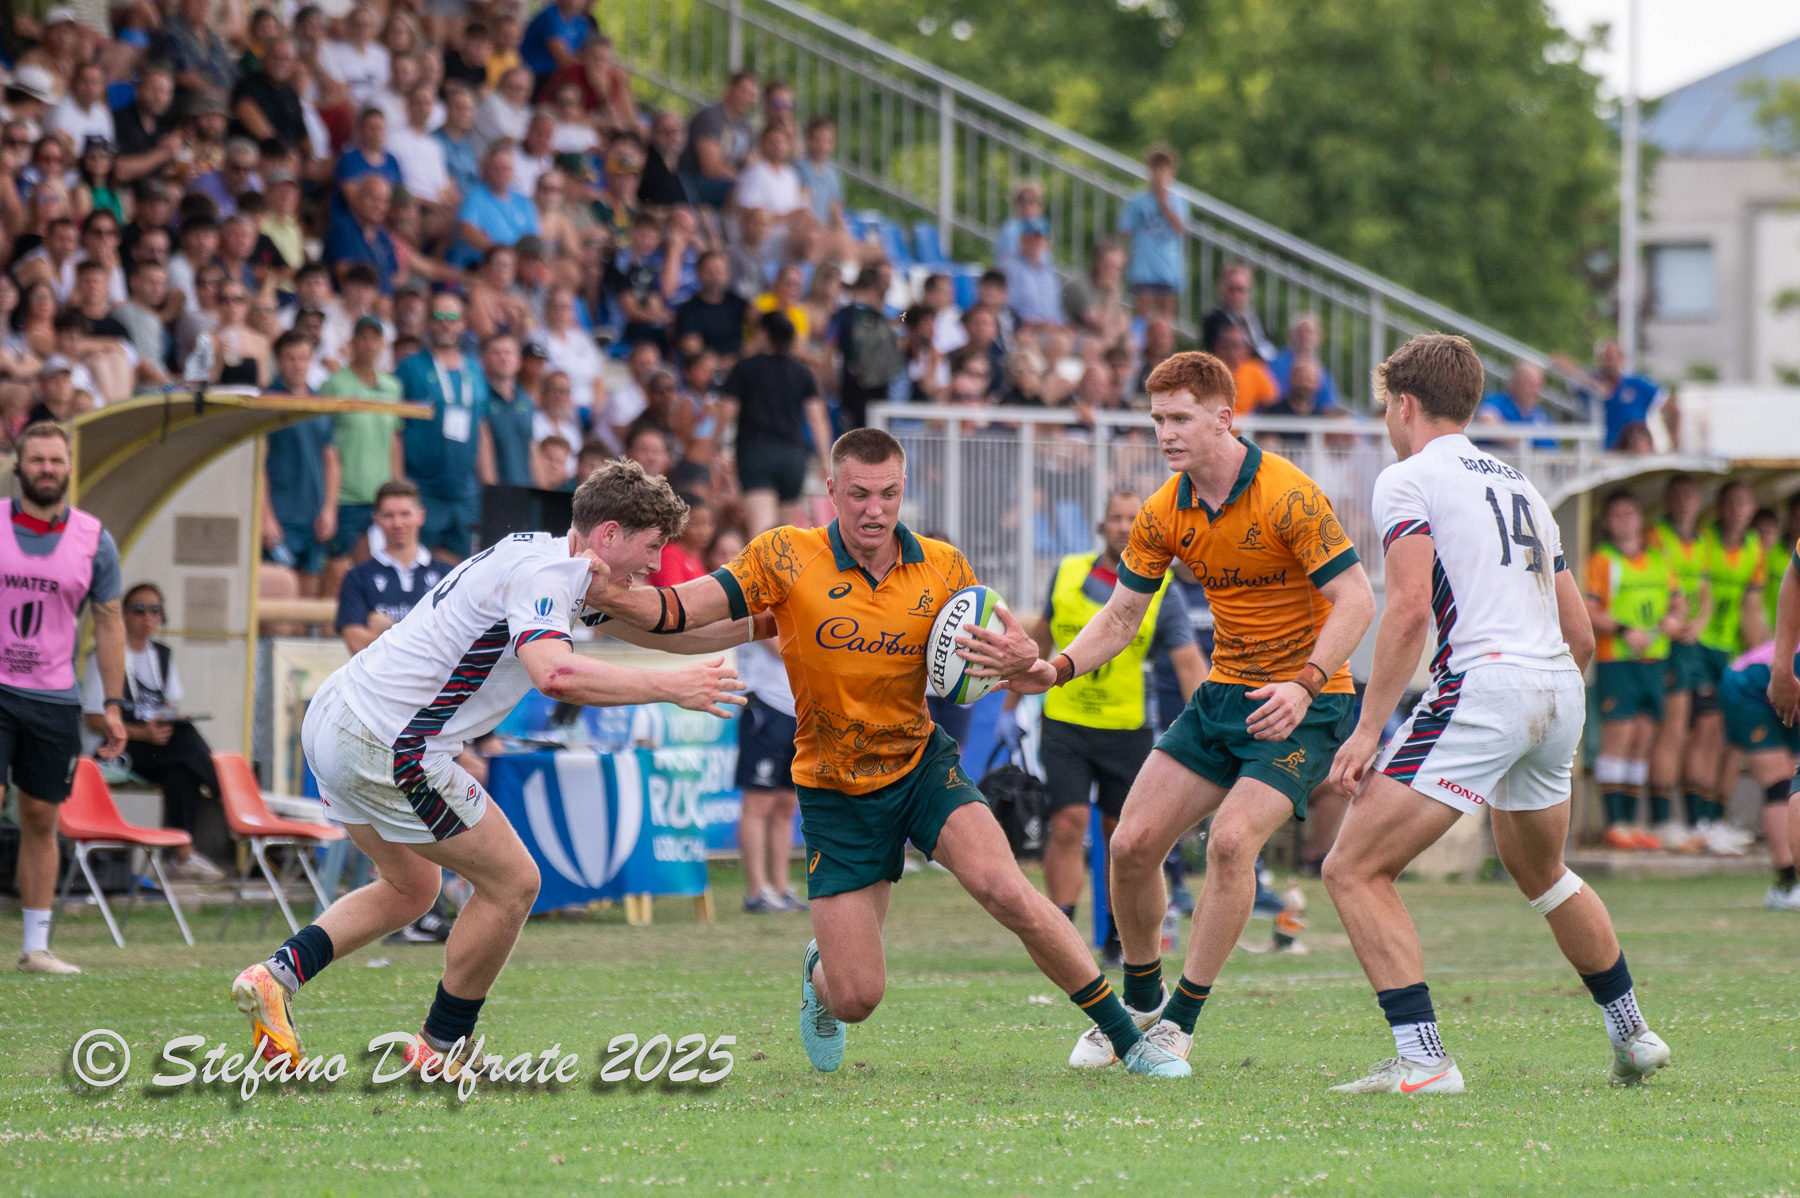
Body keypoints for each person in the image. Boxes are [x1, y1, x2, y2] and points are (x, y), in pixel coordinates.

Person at [590, 429, 1192, 1079]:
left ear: (902, 491)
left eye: (888, 494)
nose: (874, 509)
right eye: (858, 494)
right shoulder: (784, 557)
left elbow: (1007, 659)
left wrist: (1024, 661)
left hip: (919, 766)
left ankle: (1130, 1041)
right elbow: (681, 614)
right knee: (856, 998)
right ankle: (820, 972)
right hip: (834, 788)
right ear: (831, 492)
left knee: (1007, 889)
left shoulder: (943, 567)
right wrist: (601, 598)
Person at [231, 461, 752, 1077]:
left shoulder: (541, 553)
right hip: (391, 741)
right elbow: (555, 674)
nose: (656, 563)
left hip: (338, 716)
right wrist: (671, 689)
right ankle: (440, 1048)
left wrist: (765, 625)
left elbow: (659, 626)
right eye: (652, 546)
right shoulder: (547, 574)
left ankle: (274, 977)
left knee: (411, 888)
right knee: (514, 884)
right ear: (609, 534)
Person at [983, 350, 1375, 1070]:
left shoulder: (1290, 495)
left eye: (1180, 418)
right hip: (1224, 694)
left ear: (1224, 418)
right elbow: (1123, 613)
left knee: (1230, 843)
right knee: (1131, 845)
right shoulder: (1166, 508)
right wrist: (1057, 665)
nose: (1165, 433)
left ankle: (1180, 1023)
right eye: (1157, 418)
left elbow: (1358, 598)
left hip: (1306, 701)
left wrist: (1306, 683)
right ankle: (1138, 1004)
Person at [1320, 332, 1669, 1093]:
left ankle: (1424, 1061)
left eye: (1386, 408)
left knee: (1352, 867)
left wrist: (1370, 728)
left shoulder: (1408, 477)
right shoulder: (1520, 484)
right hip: (1556, 685)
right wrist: (1539, 711)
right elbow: (1579, 633)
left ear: (1404, 404)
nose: (1386, 421)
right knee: (1542, 872)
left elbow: (1409, 611)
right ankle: (1633, 1032)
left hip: (1487, 685)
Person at [1002, 490, 1207, 982]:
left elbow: (1187, 662)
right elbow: (1043, 638)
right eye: (1114, 517)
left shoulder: (1162, 590)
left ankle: (1121, 936)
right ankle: (1061, 929)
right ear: (1101, 526)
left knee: (1124, 837)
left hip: (1127, 730)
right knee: (1068, 822)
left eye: (1132, 519)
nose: (1122, 526)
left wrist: (1208, 723)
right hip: (1066, 722)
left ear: (1144, 530)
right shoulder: (1068, 571)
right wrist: (1011, 705)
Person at [3, 422, 127, 974]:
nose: (47, 469)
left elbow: (110, 623)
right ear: (18, 465)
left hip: (54, 697)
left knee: (39, 816)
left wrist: (115, 703)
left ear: (69, 468)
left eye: (56, 460)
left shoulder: (94, 539)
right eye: (37, 460)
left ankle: (36, 947)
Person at [78, 582, 228, 877]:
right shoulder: (105, 656)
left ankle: (181, 856)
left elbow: (169, 706)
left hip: (154, 746)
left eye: (155, 610)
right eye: (138, 609)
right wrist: (144, 733)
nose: (147, 617)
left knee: (181, 771)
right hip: (113, 748)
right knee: (185, 742)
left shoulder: (161, 655)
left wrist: (170, 720)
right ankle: (228, 797)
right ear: (123, 616)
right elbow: (93, 721)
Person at [1584, 493, 1686, 850]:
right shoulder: (1603, 560)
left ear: (1640, 519)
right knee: (1619, 737)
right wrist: (1626, 630)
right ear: (1608, 522)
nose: (1625, 520)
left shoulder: (1658, 558)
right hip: (1619, 659)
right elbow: (1589, 608)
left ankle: (1632, 819)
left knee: (1643, 738)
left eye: (1630, 512)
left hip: (1654, 660)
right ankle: (1615, 821)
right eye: (1617, 514)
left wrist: (1674, 619)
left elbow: (1678, 601)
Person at [1688, 481, 1766, 851]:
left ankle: (1718, 820)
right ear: (1720, 507)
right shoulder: (1705, 542)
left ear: (1751, 509)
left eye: (1744, 503)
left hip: (1731, 652)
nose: (1737, 510)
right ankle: (1698, 821)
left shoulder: (1754, 549)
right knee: (1706, 729)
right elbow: (1700, 593)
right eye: (1731, 503)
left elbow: (1751, 608)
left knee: (1732, 737)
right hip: (1701, 647)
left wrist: (1764, 657)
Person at [396, 291, 494, 561]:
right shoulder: (410, 366)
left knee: (463, 567)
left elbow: (481, 427)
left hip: (464, 491)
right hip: (422, 488)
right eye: (438, 317)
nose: (445, 323)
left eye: (452, 317)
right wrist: (399, 484)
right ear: (427, 322)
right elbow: (396, 430)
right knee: (418, 563)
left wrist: (490, 484)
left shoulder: (474, 369)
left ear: (463, 324)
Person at [1646, 475, 1715, 847]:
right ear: (1669, 499)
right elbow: (1662, 587)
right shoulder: (1657, 536)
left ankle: (1697, 821)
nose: (1687, 501)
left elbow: (1704, 591)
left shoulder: (1702, 541)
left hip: (1694, 643)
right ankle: (1661, 820)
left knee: (1700, 729)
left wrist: (1699, 623)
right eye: (1680, 495)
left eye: (1692, 493)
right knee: (1671, 729)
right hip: (1667, 642)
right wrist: (1673, 624)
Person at [719, 311, 833, 536]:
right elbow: (817, 418)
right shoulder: (801, 371)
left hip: (755, 454)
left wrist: (717, 448)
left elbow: (727, 411)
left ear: (762, 333)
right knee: (783, 538)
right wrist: (825, 459)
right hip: (793, 457)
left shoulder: (745, 368)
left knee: (761, 536)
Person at [317, 315, 405, 565]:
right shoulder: (334, 385)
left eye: (375, 338)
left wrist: (397, 490)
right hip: (346, 496)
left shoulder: (393, 387)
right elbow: (326, 445)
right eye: (363, 338)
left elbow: (394, 440)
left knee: (376, 569)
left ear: (383, 344)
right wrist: (328, 500)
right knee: (337, 567)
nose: (369, 344)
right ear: (352, 342)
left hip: (381, 496)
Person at [733, 635, 806, 914]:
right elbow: (781, 648)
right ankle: (756, 891)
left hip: (796, 708)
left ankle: (781, 888)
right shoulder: (763, 597)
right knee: (758, 804)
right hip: (765, 704)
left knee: (786, 805)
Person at [262, 331, 339, 595]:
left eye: (304, 358)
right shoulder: (266, 402)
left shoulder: (320, 402)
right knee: (283, 593)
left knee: (310, 591)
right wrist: (266, 516)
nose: (298, 365)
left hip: (314, 516)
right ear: (278, 361)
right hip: (281, 516)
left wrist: (329, 509)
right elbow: (257, 466)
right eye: (291, 358)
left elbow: (331, 461)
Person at [334, 479, 448, 655]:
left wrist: (389, 630)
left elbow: (453, 642)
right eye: (389, 516)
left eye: (405, 514)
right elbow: (355, 642)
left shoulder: (447, 575)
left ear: (421, 516)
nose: (397, 524)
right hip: (379, 681)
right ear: (376, 519)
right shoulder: (357, 577)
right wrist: (426, 641)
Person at [1116, 147, 1188, 320]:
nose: (1159, 173)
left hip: (1168, 268)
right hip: (1143, 267)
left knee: (1165, 319)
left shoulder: (1178, 199)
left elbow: (1181, 227)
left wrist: (1164, 203)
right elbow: (1124, 231)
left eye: (1164, 168)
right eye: (1155, 168)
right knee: (1141, 316)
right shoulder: (1137, 200)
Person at [677, 68, 756, 207]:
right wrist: (744, 179)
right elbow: (711, 168)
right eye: (743, 91)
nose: (747, 98)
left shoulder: (745, 127)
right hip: (697, 182)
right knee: (745, 191)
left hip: (728, 182)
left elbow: (749, 163)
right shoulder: (710, 117)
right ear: (729, 88)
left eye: (751, 95)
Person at [1201, 262, 1275, 360]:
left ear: (1250, 292)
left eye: (1240, 290)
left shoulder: (1255, 319)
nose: (1236, 295)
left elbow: (1267, 347)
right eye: (1231, 289)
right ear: (1222, 290)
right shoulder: (1213, 320)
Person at [1475, 362, 1556, 450]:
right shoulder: (1497, 402)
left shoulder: (1540, 415)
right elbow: (1486, 420)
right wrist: (1520, 443)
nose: (1535, 391)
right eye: (1530, 385)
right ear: (1514, 383)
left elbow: (1551, 448)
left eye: (1538, 386)